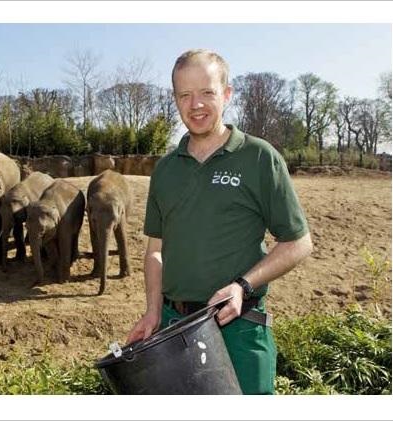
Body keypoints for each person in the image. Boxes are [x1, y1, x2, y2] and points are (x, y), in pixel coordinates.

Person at [126, 49, 313, 394]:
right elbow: (155, 250)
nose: (195, 104)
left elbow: (298, 242)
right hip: (173, 330)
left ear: (226, 94)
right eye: (185, 95)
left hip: (237, 327)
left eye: (207, 92)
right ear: (175, 100)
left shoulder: (258, 157)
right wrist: (152, 311)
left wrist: (243, 285)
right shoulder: (165, 169)